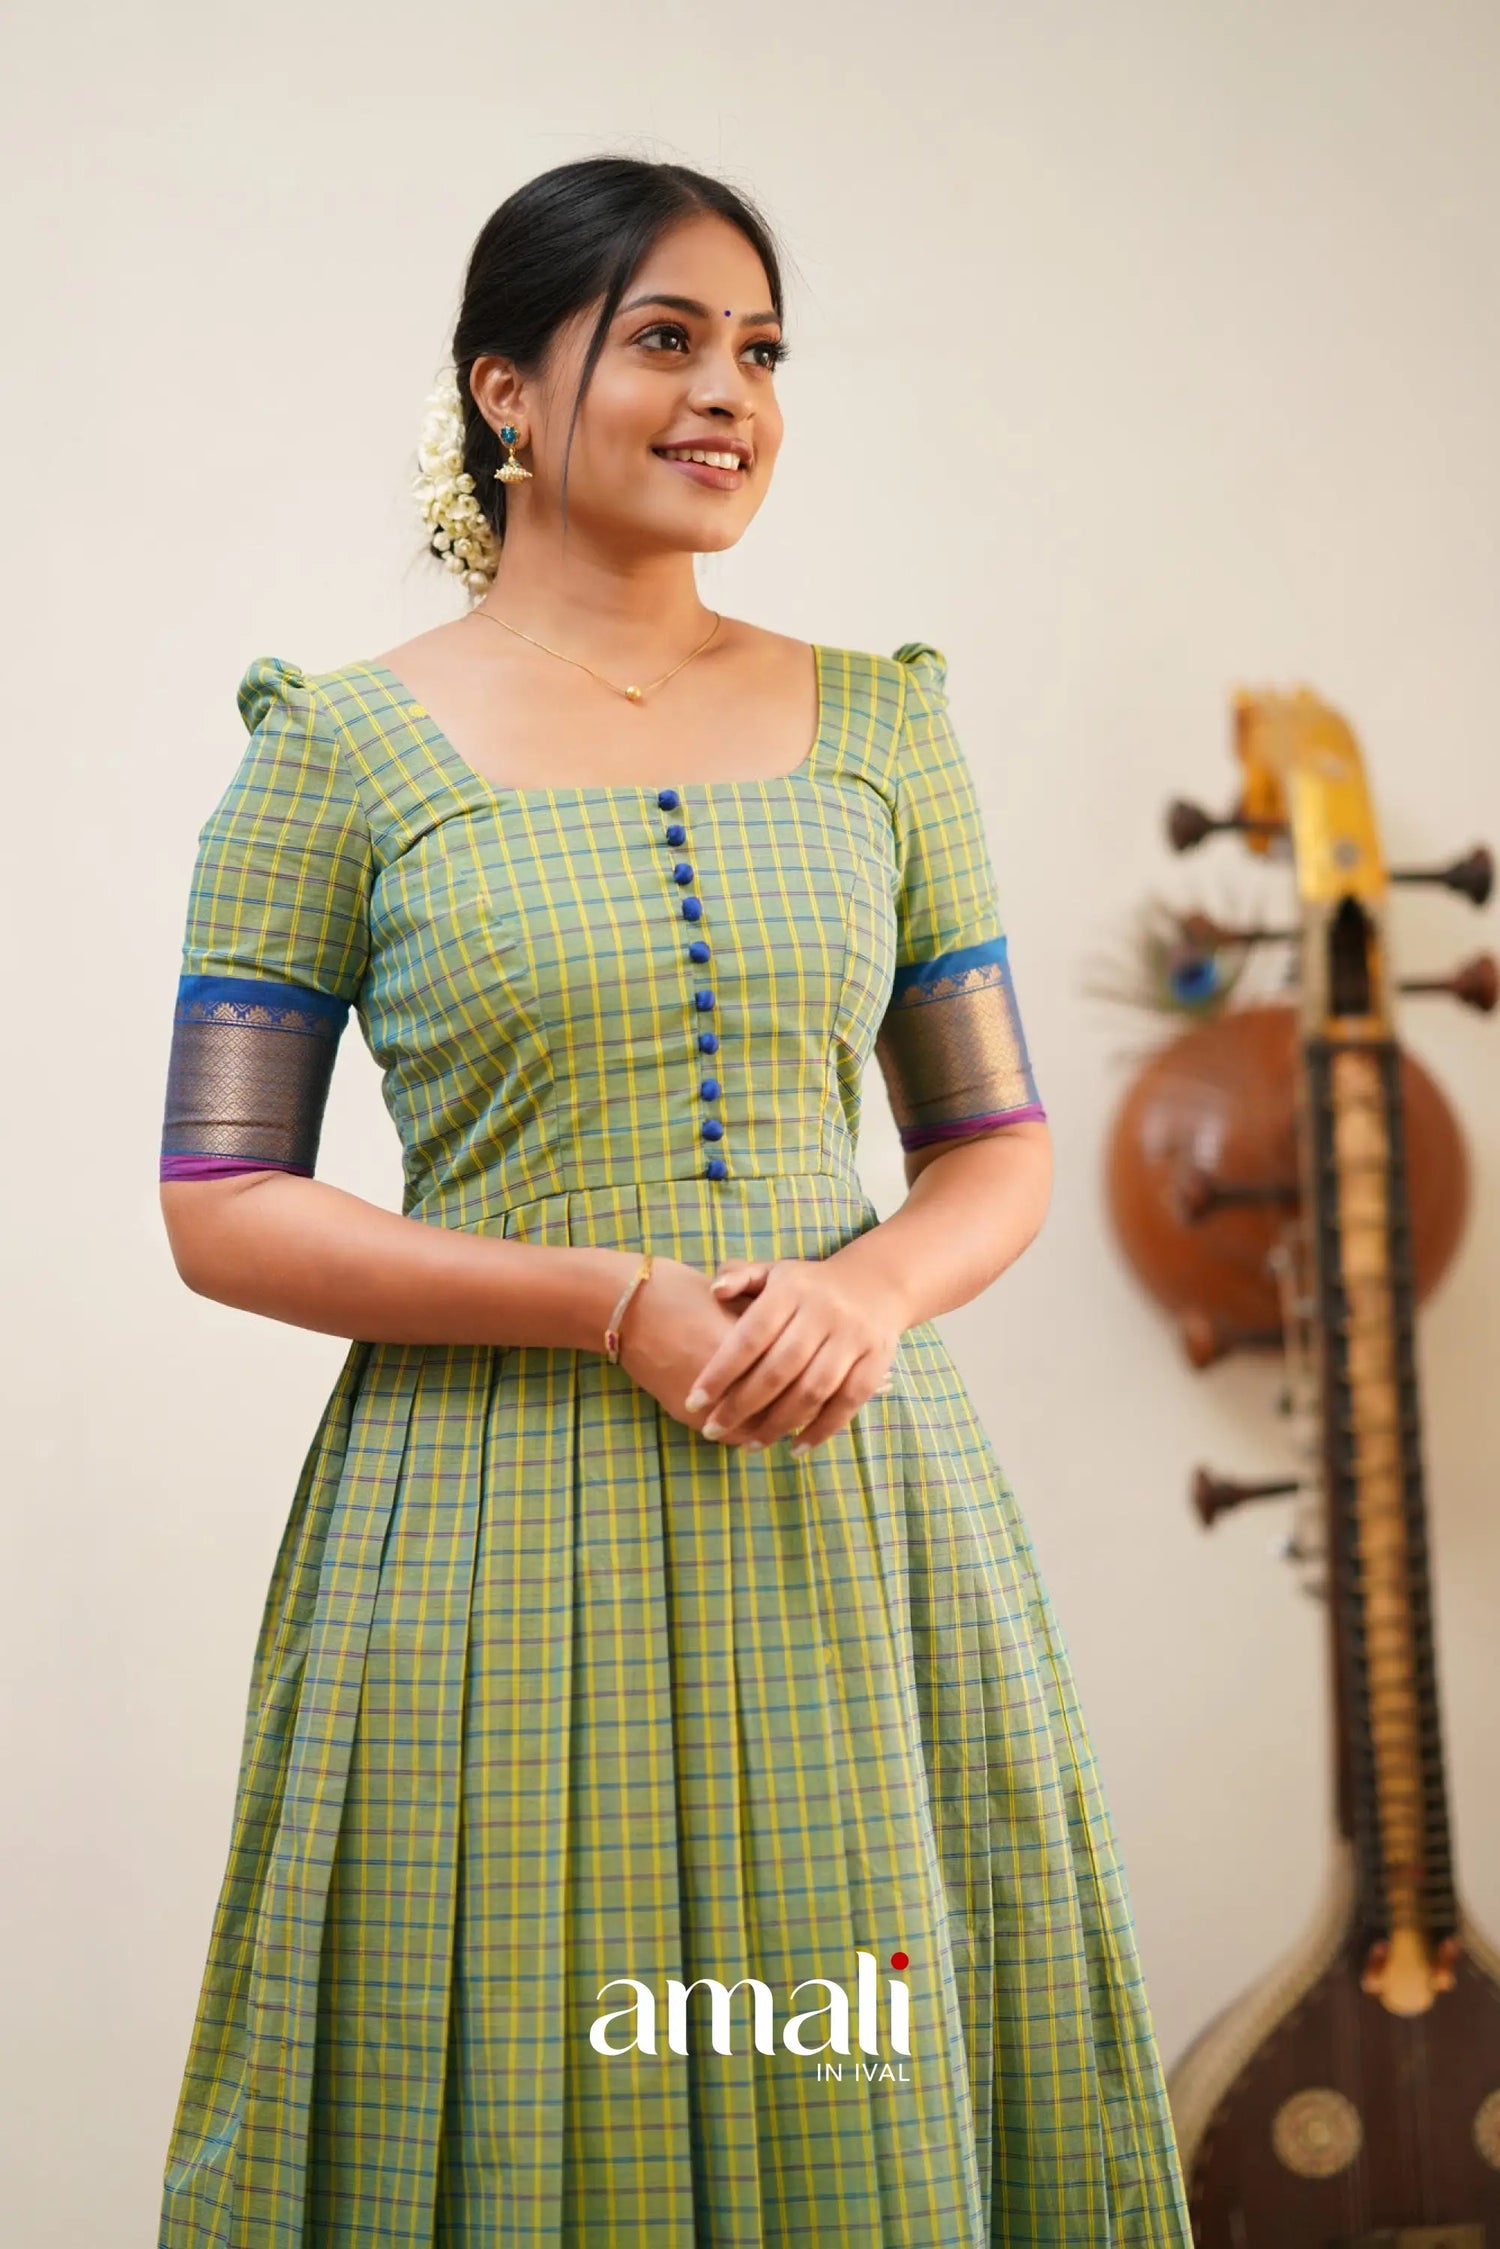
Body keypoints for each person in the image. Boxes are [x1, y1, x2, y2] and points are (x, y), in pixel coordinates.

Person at [155, 154, 1191, 2247]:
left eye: (763, 351)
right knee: (521, 2063)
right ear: (505, 392)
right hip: (480, 1529)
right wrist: (609, 1297)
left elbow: (992, 1145)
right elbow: (219, 1199)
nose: (730, 394)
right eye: (665, 339)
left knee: (853, 2056)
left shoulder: (886, 731)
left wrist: (872, 1295)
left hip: (849, 1498)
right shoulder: (334, 758)